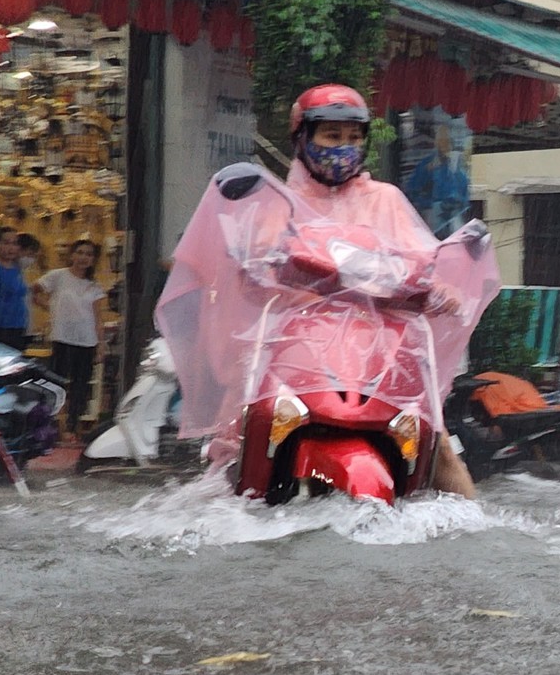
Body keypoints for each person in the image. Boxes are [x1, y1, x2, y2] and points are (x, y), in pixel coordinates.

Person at [157, 83, 483, 498]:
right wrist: (258, 262)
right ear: (302, 139)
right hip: (298, 351)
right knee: (242, 439)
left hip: (378, 354)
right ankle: (221, 512)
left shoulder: (385, 199)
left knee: (439, 446)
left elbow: (420, 259)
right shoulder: (279, 202)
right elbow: (252, 262)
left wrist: (440, 290)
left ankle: (477, 531)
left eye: (353, 137)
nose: (343, 147)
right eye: (331, 136)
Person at [34, 240, 107, 438]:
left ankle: (73, 425)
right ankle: (52, 424)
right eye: (80, 252)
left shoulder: (93, 286)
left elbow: (98, 317)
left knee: (80, 385)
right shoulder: (58, 276)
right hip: (62, 338)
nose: (84, 257)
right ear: (72, 255)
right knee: (57, 382)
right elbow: (36, 290)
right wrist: (49, 307)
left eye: (89, 254)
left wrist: (101, 344)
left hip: (86, 340)